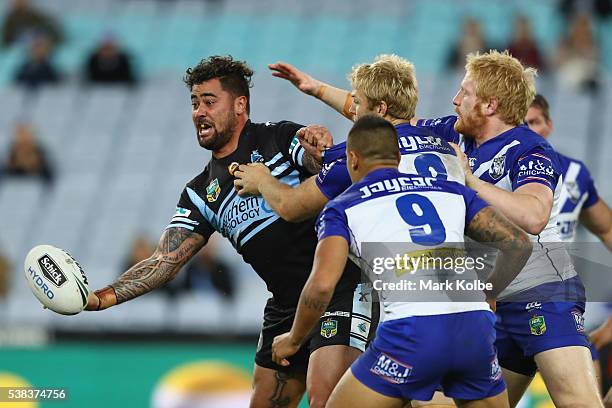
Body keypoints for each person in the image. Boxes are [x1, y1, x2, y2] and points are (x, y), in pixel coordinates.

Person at [83, 55, 371, 408]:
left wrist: (318, 148)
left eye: (208, 101)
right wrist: (103, 297)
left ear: (240, 105)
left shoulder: (279, 139)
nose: (198, 112)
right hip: (285, 307)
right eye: (193, 103)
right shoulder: (200, 192)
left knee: (324, 398)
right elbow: (164, 261)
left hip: (339, 288)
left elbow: (324, 168)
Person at [235, 55, 462, 407]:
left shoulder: (356, 162)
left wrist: (262, 180)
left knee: (328, 398)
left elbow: (292, 207)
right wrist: (317, 90)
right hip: (460, 293)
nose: (351, 106)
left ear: (379, 108)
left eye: (357, 100)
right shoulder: (443, 134)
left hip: (390, 293)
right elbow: (390, 120)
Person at [272, 116, 533, 408]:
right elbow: (518, 244)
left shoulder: (342, 208)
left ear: (352, 159)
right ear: (397, 156)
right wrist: (488, 293)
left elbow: (321, 286)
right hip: (475, 328)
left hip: (412, 332)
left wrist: (294, 339)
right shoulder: (451, 190)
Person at [415, 50, 603, 407]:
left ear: (489, 105)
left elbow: (534, 215)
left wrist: (469, 180)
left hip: (544, 294)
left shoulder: (530, 149)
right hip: (494, 300)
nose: (455, 101)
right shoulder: (455, 133)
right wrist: (315, 90)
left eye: (465, 93)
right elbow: (388, 124)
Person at [525, 94, 612, 249]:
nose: (528, 131)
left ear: (548, 125)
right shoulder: (492, 171)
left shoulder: (575, 173)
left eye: (534, 122)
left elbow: (607, 229)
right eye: (521, 125)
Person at [1, 122, 54, 186]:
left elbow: (43, 163)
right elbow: (9, 164)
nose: (23, 138)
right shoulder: (13, 149)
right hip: (18, 171)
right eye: (20, 135)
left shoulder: (37, 148)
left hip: (33, 171)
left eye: (26, 135)